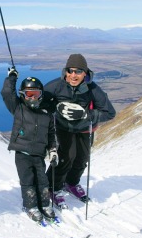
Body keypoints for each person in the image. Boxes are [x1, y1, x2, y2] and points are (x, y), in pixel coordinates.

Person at [45, 54, 116, 207]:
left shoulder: (93, 89)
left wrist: (86, 114)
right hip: (64, 128)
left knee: (82, 159)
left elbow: (110, 112)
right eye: (70, 71)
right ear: (65, 71)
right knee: (66, 157)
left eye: (78, 71)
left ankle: (71, 183)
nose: (73, 75)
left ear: (85, 73)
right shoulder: (56, 86)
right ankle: (53, 186)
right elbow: (40, 101)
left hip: (85, 129)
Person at [1, 67, 59, 223]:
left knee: (42, 180)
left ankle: (45, 204)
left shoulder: (47, 113)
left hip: (39, 153)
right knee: (28, 180)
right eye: (29, 94)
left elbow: (51, 134)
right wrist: (12, 77)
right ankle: (30, 206)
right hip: (22, 153)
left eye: (36, 94)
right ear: (22, 95)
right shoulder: (18, 108)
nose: (32, 98)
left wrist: (53, 150)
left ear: (41, 94)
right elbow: (7, 93)